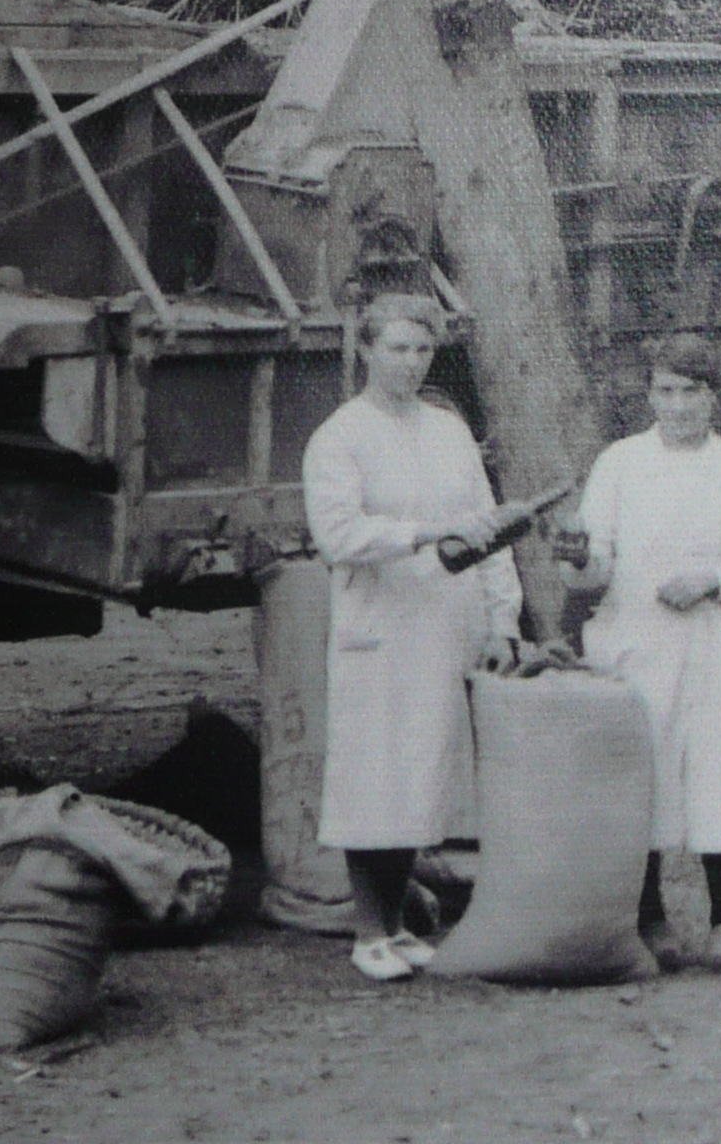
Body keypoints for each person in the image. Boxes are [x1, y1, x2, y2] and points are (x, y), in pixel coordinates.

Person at [301, 295, 525, 981]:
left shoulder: (448, 430)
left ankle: (397, 926)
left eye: (421, 350)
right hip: (380, 627)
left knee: (422, 775)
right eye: (395, 348)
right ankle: (369, 931)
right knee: (375, 776)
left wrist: (502, 617)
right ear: (366, 350)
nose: (409, 362)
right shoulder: (340, 436)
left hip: (442, 625)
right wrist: (425, 533)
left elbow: (486, 526)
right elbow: (338, 535)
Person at [560, 333, 721, 974]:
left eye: (692, 392)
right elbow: (595, 564)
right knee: (646, 772)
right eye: (666, 391)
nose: (679, 405)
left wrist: (713, 580)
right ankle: (650, 918)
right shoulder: (619, 463)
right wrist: (580, 560)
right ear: (650, 394)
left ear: (714, 397)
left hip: (714, 638)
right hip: (636, 637)